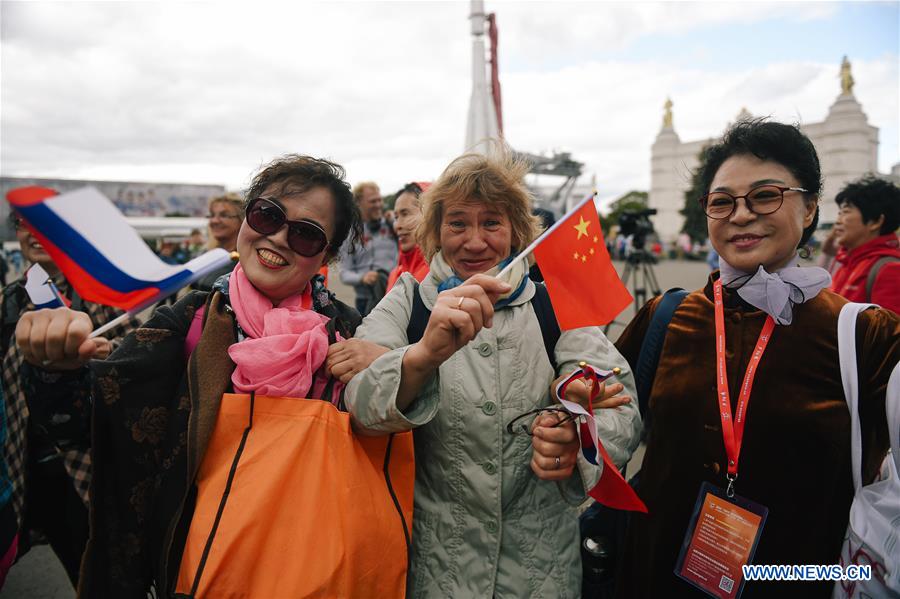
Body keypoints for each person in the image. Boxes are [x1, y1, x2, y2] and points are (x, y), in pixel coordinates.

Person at [14, 156, 365, 597]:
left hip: (316, 563)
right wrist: (55, 369)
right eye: (267, 214)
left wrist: (385, 367)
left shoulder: (350, 330)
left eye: (307, 234)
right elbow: (89, 420)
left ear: (327, 255)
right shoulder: (189, 318)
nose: (278, 236)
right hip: (201, 564)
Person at [613, 119, 900, 597]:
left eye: (766, 195)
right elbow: (610, 414)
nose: (741, 215)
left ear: (809, 209)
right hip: (655, 574)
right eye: (722, 201)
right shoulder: (667, 315)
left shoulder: (866, 335)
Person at [338, 149, 641, 597]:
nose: (475, 241)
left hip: (541, 571)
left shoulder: (554, 302)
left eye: (492, 223)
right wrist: (423, 355)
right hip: (434, 564)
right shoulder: (408, 301)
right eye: (458, 223)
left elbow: (622, 406)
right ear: (436, 231)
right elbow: (360, 408)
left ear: (517, 230)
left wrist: (578, 434)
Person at [1, 190, 139, 587]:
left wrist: (98, 356)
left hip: (85, 464)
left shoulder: (102, 290)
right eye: (25, 224)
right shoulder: (11, 298)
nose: (34, 233)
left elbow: (131, 369)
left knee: (99, 572)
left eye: (46, 225)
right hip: (23, 462)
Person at [828, 175, 900, 312]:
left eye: (845, 212)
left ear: (875, 222)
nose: (837, 221)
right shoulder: (846, 262)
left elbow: (888, 332)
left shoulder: (890, 270)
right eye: (839, 213)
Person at [339, 181, 398, 316]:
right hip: (365, 301)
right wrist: (362, 278)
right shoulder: (351, 234)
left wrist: (395, 219)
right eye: (372, 201)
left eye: (379, 200)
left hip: (395, 297)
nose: (378, 205)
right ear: (359, 203)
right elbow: (345, 273)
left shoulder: (391, 225)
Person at [191, 192, 244, 292]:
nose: (214, 221)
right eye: (212, 215)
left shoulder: (246, 262)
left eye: (224, 215)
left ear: (241, 220)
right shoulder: (205, 254)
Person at [386, 182, 430, 291]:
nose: (397, 226)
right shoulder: (395, 274)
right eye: (396, 217)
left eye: (405, 214)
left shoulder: (440, 275)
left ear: (430, 215)